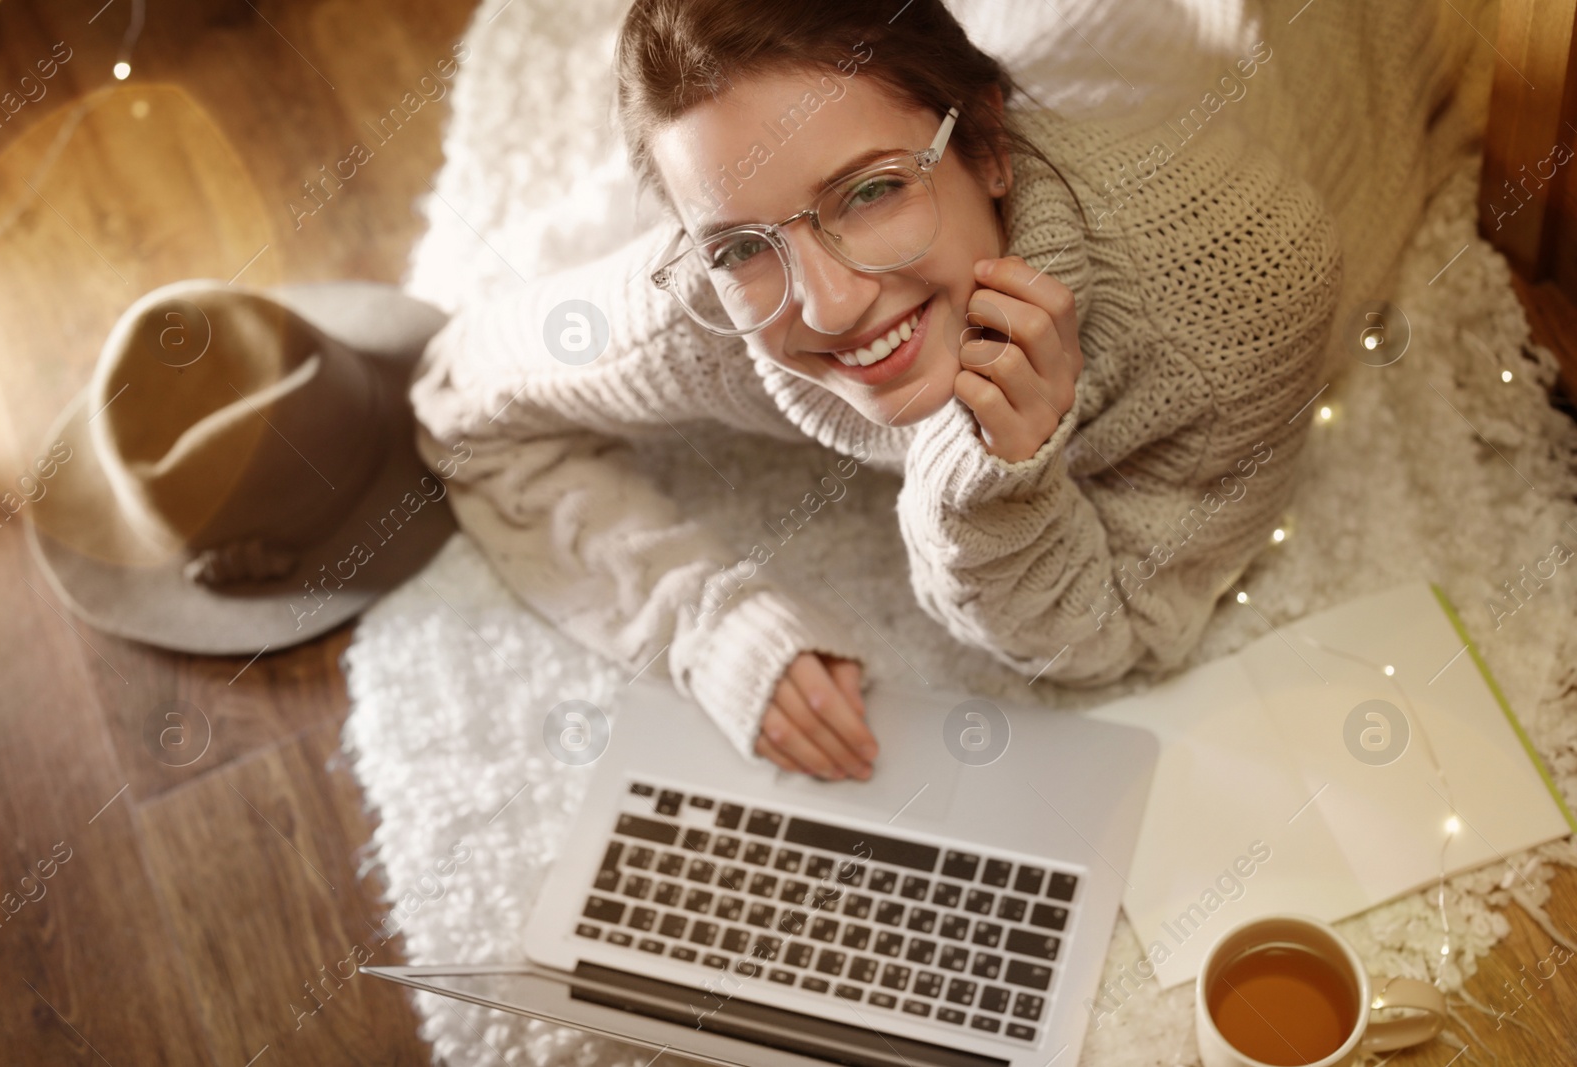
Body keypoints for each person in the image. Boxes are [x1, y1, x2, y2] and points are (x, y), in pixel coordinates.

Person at [408, 0, 1342, 782]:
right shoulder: (712, 305)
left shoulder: (1244, 278)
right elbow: (457, 401)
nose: (830, 303)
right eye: (738, 243)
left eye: (869, 192)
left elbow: (1122, 637)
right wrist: (709, 623)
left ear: (985, 142)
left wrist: (993, 473)